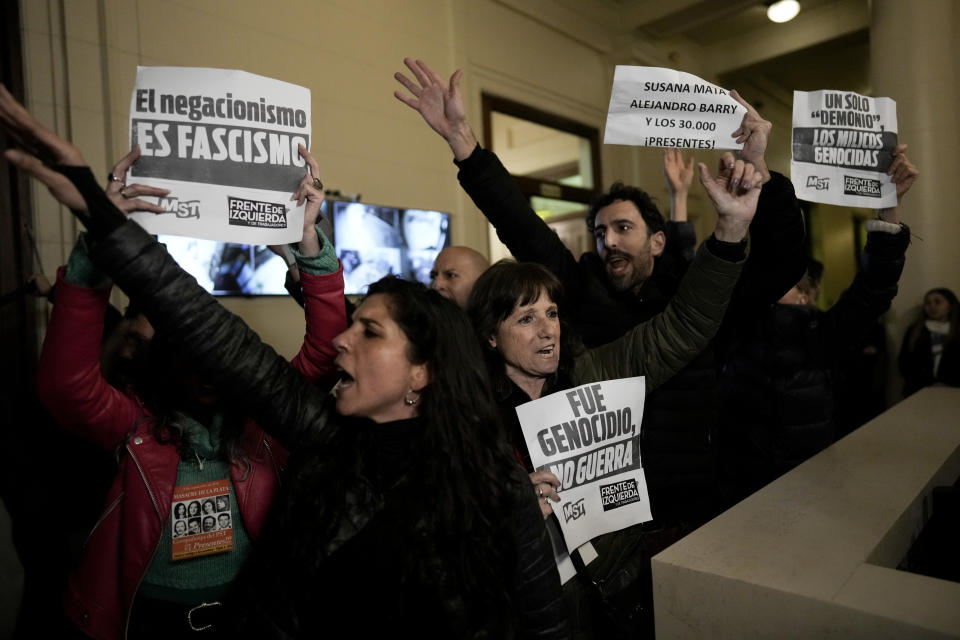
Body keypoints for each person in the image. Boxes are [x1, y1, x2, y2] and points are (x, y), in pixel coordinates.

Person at [1, 84, 568, 639]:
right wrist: (103, 221)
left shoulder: (498, 491)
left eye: (368, 331)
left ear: (423, 371)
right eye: (350, 325)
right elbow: (210, 329)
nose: (342, 342)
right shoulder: (324, 439)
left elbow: (546, 625)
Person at [394, 58, 806, 534]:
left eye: (623, 228)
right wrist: (464, 144)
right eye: (600, 231)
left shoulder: (698, 295)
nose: (609, 240)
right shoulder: (576, 294)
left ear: (657, 240)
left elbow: (782, 265)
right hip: (602, 513)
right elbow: (521, 225)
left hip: (695, 500)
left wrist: (762, 172)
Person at [19, 124, 347, 637]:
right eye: (193, 359)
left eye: (219, 360)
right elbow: (66, 386)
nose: (209, 372)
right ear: (166, 362)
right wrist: (94, 254)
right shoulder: (136, 425)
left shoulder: (262, 421)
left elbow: (325, 357)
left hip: (248, 615)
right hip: (147, 622)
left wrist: (309, 242)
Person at [467, 152, 762, 637]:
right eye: (526, 318)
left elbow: (685, 323)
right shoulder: (472, 418)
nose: (547, 331)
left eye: (553, 314)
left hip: (619, 593)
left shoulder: (593, 373)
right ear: (490, 336)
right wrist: (508, 511)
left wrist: (730, 229)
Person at [716, 144, 918, 505]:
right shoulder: (737, 326)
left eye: (790, 282)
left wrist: (888, 207)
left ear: (807, 295)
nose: (777, 284)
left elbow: (872, 291)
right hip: (738, 494)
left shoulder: (821, 336)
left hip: (809, 491)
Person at [899, 287, 960, 396]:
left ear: (950, 306)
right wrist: (928, 384)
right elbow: (904, 363)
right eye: (928, 302)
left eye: (937, 302)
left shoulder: (957, 331)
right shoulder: (915, 331)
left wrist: (948, 383)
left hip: (954, 391)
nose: (932, 306)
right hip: (918, 391)